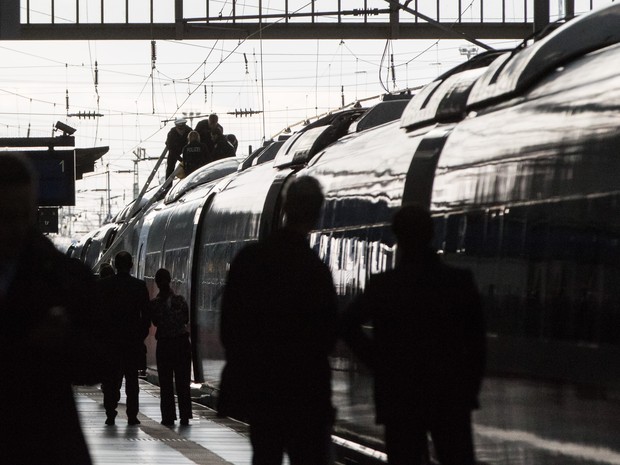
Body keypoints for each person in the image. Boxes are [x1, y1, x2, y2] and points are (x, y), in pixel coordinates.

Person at [340, 205, 486, 465]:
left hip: (399, 397)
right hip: (449, 398)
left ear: (398, 237)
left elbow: (347, 324)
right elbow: (477, 343)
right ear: (431, 234)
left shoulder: (384, 286)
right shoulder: (459, 283)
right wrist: (468, 386)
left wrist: (378, 362)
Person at [219, 176, 338, 465]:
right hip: (306, 391)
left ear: (285, 207)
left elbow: (230, 327)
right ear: (317, 213)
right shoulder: (316, 271)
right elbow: (327, 337)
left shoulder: (250, 259)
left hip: (262, 389)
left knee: (265, 455)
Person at [0, 153, 107, 465]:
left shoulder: (64, 278)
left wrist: (66, 341)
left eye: (22, 215)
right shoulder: (61, 276)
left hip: (45, 443)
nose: (15, 227)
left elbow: (99, 362)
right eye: (4, 216)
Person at [98, 250, 151, 426]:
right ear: (131, 265)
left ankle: (110, 412)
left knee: (111, 379)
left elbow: (98, 314)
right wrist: (140, 335)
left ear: (114, 265)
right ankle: (132, 415)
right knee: (132, 381)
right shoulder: (139, 286)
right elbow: (146, 316)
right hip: (131, 342)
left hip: (111, 342)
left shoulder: (104, 286)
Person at [149, 268, 193, 426]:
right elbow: (186, 319)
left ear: (157, 283)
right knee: (183, 381)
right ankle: (185, 415)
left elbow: (155, 322)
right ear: (170, 280)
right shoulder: (180, 300)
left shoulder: (154, 304)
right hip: (181, 344)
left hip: (165, 345)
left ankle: (168, 416)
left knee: (165, 383)